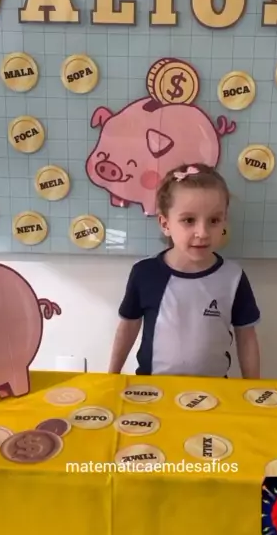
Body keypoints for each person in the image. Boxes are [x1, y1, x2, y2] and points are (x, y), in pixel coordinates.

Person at [108, 162, 261, 379]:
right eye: (189, 220)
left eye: (214, 220)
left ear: (224, 221)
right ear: (165, 224)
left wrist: (253, 387)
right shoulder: (145, 273)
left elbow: (246, 337)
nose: (203, 232)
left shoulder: (233, 277)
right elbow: (128, 327)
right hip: (153, 389)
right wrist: (112, 376)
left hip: (214, 390)